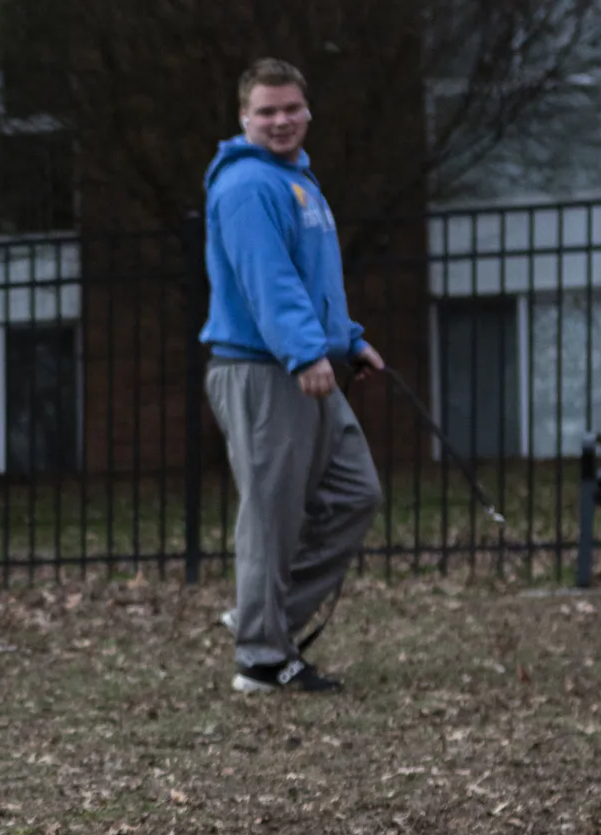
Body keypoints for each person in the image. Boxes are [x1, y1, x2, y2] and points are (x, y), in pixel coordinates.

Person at [199, 57, 384, 693]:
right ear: (244, 118)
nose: (281, 120)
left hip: (306, 364)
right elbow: (268, 285)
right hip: (263, 371)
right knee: (271, 514)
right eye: (266, 111)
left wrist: (347, 342)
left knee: (356, 492)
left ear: (307, 111)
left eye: (290, 109)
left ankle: (263, 616)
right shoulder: (249, 186)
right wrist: (306, 354)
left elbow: (312, 282)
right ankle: (260, 657)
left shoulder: (295, 180)